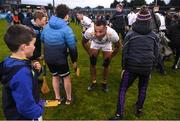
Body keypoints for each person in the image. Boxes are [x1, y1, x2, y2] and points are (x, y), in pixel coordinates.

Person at [109, 6, 159, 120]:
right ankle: (139, 109)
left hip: (131, 67)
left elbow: (124, 53)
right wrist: (150, 67)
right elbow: (156, 54)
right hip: (146, 67)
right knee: (143, 88)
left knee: (123, 89)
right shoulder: (154, 36)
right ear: (149, 21)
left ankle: (119, 114)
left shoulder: (130, 34)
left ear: (137, 20)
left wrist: (124, 68)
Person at [0, 25, 45, 120]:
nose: (34, 47)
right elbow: (26, 108)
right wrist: (39, 109)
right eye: (33, 44)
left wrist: (37, 70)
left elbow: (28, 79)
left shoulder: (11, 61)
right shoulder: (21, 73)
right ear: (24, 47)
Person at [41, 4, 78, 105]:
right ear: (66, 15)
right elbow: (72, 47)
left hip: (49, 57)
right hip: (60, 58)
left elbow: (42, 39)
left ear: (56, 13)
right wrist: (74, 61)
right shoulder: (67, 29)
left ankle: (57, 98)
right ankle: (68, 99)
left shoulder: (47, 26)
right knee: (66, 77)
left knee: (55, 76)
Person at [82, 19, 120, 92]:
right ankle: (93, 82)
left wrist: (110, 57)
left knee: (106, 64)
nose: (97, 34)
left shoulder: (112, 33)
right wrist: (89, 52)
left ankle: (104, 83)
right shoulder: (89, 31)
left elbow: (118, 46)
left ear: (106, 28)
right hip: (95, 43)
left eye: (101, 31)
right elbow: (83, 42)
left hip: (107, 44)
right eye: (96, 31)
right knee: (92, 62)